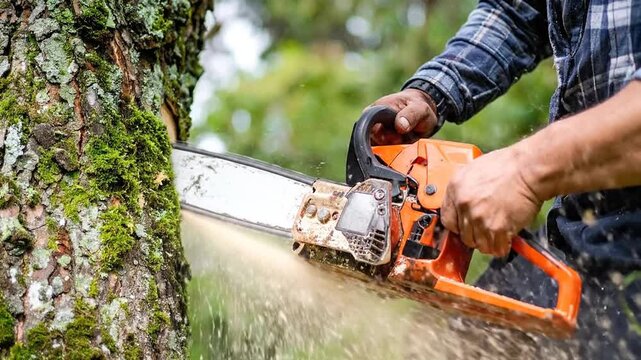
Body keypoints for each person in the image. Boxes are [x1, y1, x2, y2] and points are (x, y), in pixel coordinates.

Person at [368, 0, 641, 358]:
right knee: (449, 348)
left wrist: (527, 170)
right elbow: (516, 11)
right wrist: (431, 92)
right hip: (587, 228)